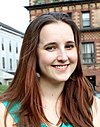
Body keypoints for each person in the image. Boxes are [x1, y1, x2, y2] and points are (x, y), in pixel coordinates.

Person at [0, 12, 100, 127]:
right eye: (51, 48)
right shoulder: (5, 113)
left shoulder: (91, 107)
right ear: (33, 54)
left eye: (69, 46)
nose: (63, 57)